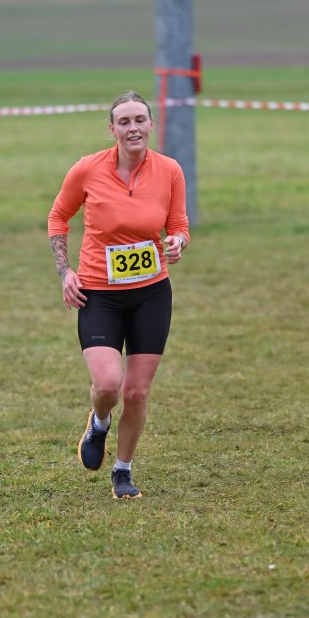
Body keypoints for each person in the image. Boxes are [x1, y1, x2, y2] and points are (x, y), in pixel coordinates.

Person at [48, 90, 190, 499]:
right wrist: (65, 272)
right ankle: (99, 422)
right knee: (109, 385)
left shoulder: (170, 170)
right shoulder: (87, 169)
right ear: (112, 129)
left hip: (151, 293)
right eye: (124, 122)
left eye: (140, 120)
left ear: (151, 124)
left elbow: (178, 225)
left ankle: (122, 471)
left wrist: (178, 242)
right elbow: (58, 216)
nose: (133, 128)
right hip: (99, 294)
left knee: (137, 391)